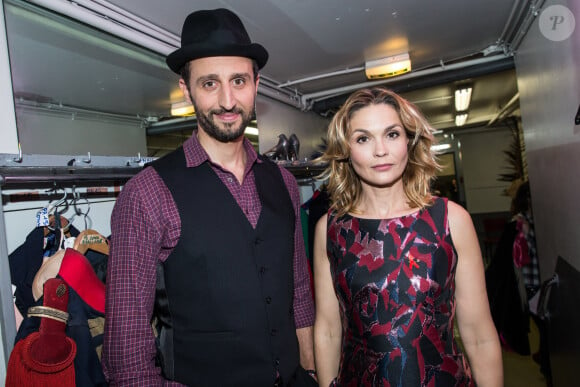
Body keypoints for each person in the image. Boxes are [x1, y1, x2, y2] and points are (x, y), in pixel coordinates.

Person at [102, 8, 315, 386]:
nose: (228, 101)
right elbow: (126, 355)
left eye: (238, 81)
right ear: (186, 90)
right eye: (209, 84)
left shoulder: (283, 181)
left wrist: (312, 369)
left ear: (256, 82)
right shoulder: (147, 193)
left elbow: (298, 295)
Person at [313, 87, 502, 386]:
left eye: (391, 134)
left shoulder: (451, 219)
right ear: (346, 151)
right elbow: (327, 329)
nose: (380, 150)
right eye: (363, 138)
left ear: (409, 142)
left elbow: (479, 336)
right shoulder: (332, 228)